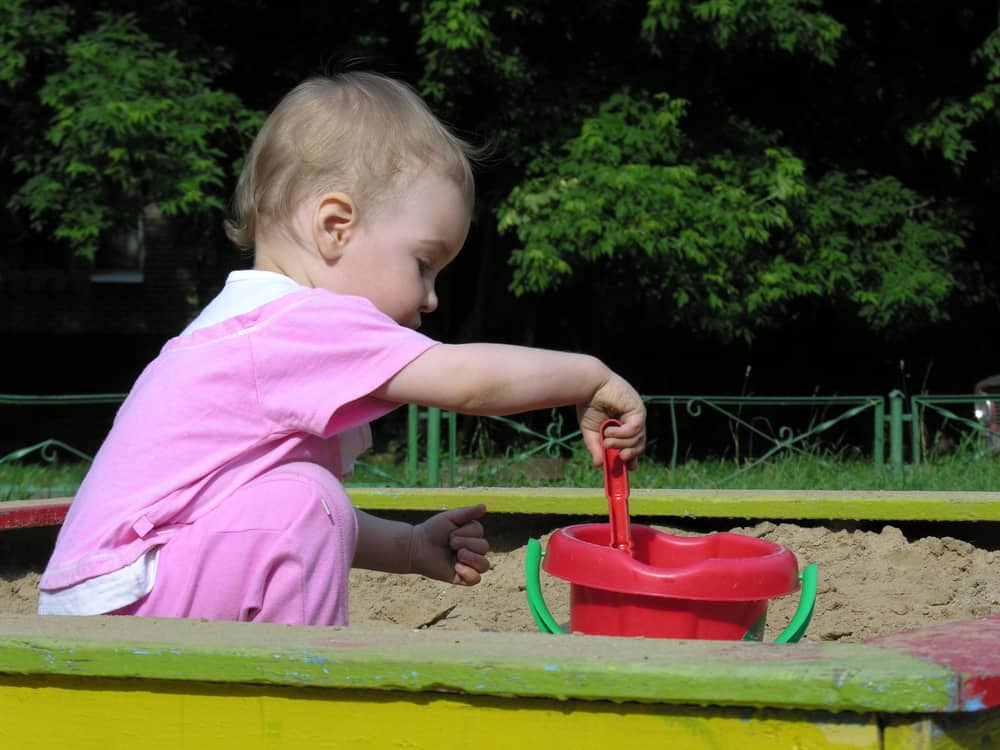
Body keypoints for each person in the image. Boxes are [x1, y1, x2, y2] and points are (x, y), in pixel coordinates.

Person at [38, 71, 647, 626]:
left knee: (298, 494)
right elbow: (469, 382)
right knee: (306, 496)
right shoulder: (296, 322)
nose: (431, 299)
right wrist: (589, 375)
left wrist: (406, 547)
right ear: (336, 227)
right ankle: (303, 699)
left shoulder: (256, 324)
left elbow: (257, 523)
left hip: (118, 593)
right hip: (119, 600)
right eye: (424, 264)